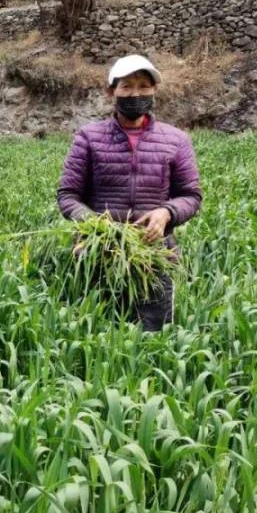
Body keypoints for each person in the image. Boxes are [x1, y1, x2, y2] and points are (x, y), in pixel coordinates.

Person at [56, 54, 202, 331]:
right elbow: (67, 195)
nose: (136, 93)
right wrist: (93, 224)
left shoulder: (176, 140)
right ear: (112, 91)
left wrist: (167, 212)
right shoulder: (89, 137)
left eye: (144, 86)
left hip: (154, 255)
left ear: (154, 90)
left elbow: (191, 196)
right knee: (98, 335)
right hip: (99, 254)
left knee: (154, 334)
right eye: (127, 86)